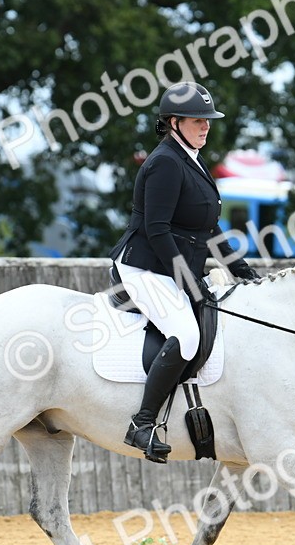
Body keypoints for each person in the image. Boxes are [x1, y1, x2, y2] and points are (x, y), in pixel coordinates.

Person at [109, 82, 260, 463]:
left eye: (208, 120)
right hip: (144, 267)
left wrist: (243, 271)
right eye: (198, 120)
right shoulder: (164, 162)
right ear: (173, 122)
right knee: (186, 336)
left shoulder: (191, 158)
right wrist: (190, 284)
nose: (206, 126)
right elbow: (157, 230)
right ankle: (142, 424)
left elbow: (209, 228)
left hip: (173, 268)